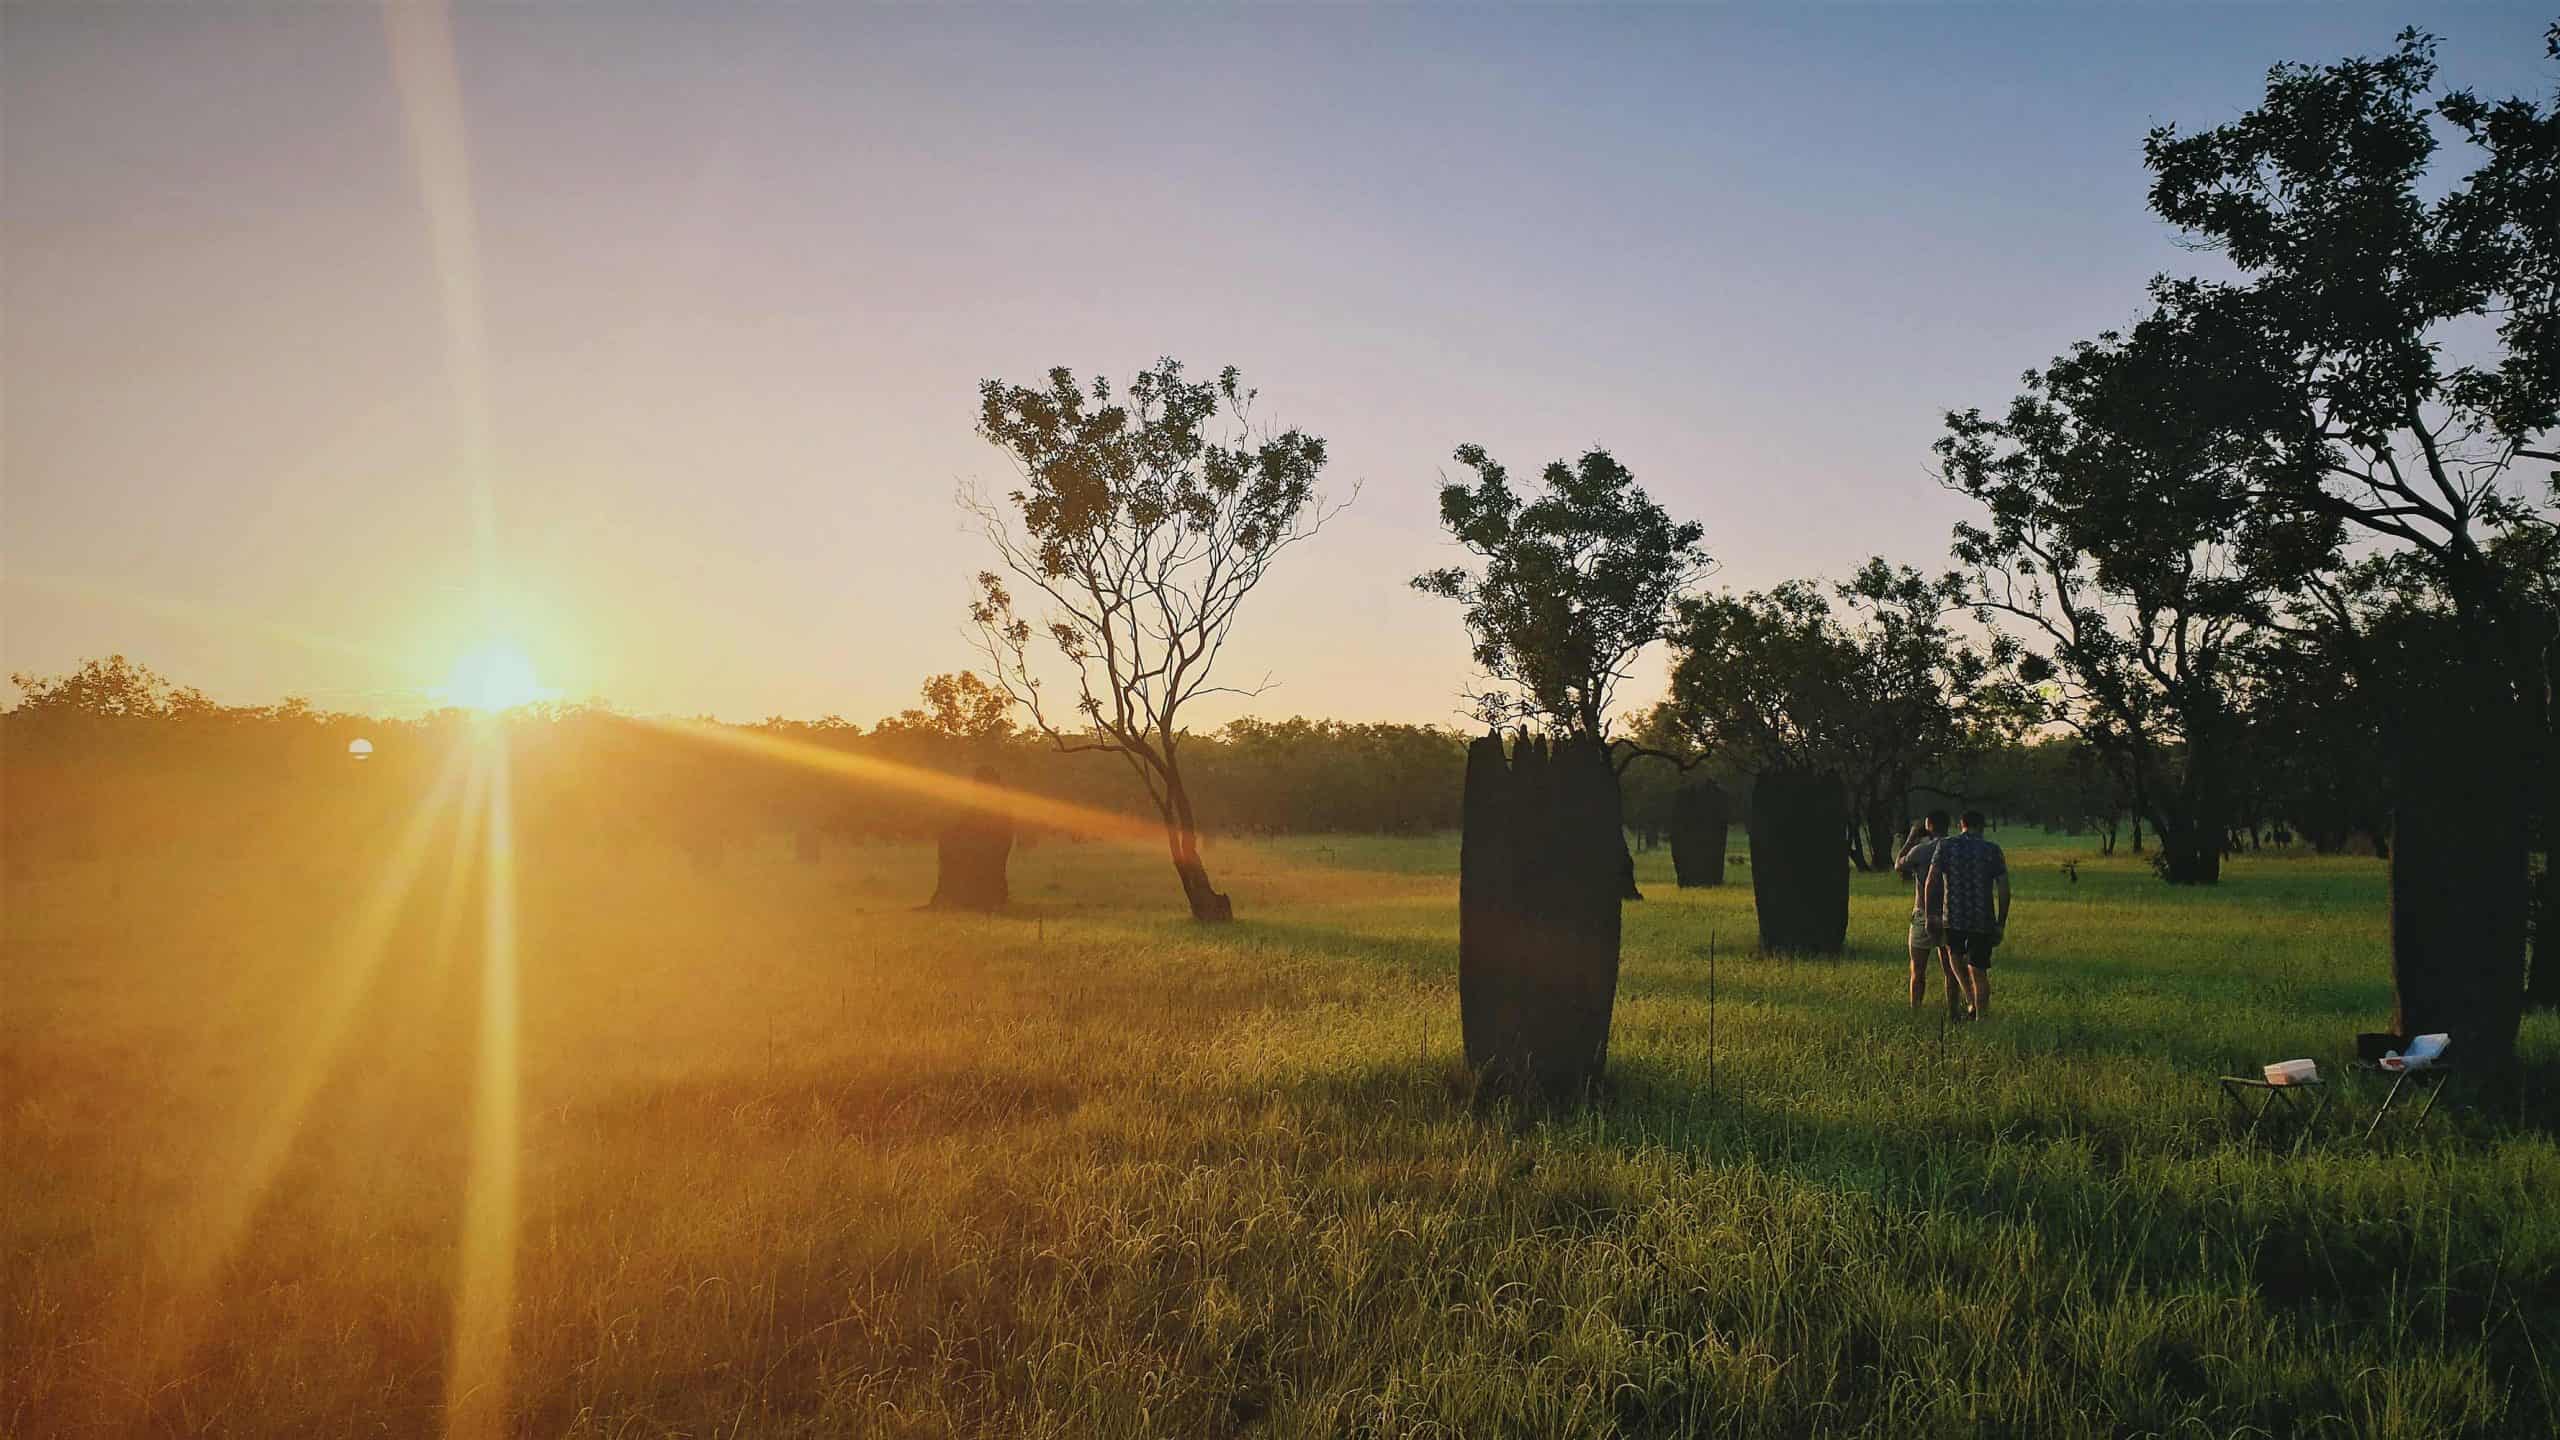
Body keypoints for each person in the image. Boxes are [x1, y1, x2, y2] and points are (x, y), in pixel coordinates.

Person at [1927, 810, 2010, 1019]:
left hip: (1954, 916)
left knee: (1954, 957)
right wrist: (2001, 922)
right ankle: (1981, 1017)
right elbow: (2004, 889)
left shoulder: (1946, 846)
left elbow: (1931, 881)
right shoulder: (1992, 850)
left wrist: (1930, 915)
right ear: (1982, 827)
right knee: (1979, 971)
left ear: (1960, 824)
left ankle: (1970, 999)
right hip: (1983, 919)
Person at [1896, 809, 1965, 1016]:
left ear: (1930, 826)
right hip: (1949, 914)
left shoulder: (1920, 850)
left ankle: (1915, 1011)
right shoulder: (1956, 849)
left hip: (1923, 914)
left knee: (1917, 970)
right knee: (1951, 970)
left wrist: (1911, 837)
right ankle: (1953, 1012)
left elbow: (1898, 865)